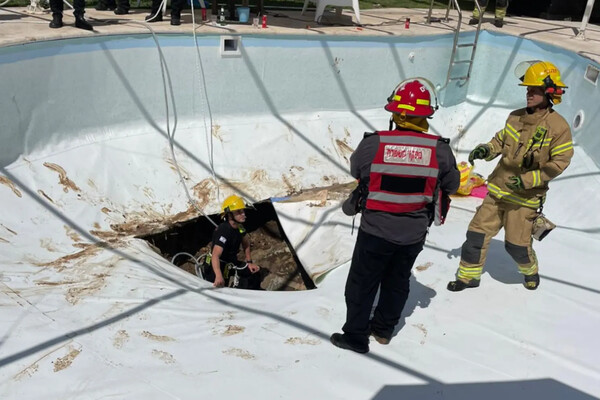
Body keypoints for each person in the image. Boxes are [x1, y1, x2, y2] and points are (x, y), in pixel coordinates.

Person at [330, 79, 460, 354]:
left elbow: (357, 171)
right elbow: (452, 186)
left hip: (375, 231)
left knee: (362, 284)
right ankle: (383, 330)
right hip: (413, 234)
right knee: (397, 280)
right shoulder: (440, 150)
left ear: (398, 114)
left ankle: (355, 336)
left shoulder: (373, 144)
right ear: (426, 116)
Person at [447, 60, 573, 292]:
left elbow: (560, 163)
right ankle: (468, 277)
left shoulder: (559, 127)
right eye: (527, 89)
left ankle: (530, 270)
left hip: (524, 199)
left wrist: (526, 180)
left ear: (549, 93)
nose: (528, 94)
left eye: (534, 90)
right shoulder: (515, 117)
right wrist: (487, 149)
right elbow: (501, 140)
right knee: (476, 235)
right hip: (497, 190)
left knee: (517, 246)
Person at [205, 195, 261, 289]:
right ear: (230, 215)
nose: (243, 214)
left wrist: (249, 262)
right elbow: (215, 255)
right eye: (239, 212)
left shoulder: (240, 228)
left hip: (230, 263)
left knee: (253, 273)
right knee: (219, 289)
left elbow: (246, 244)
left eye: (243, 211)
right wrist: (218, 276)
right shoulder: (224, 230)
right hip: (216, 266)